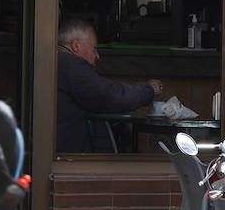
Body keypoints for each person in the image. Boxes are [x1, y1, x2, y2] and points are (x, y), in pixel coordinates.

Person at [55, 18, 163, 152]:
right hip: (69, 158)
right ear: (76, 45)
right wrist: (149, 89)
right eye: (94, 49)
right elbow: (112, 96)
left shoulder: (57, 61)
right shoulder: (70, 65)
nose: (97, 56)